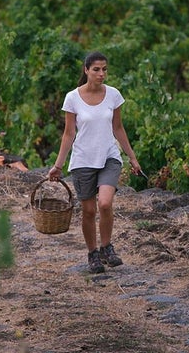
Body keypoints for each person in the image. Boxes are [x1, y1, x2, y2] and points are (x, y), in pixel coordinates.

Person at [48, 51, 142, 273]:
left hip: (109, 156)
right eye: (97, 69)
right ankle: (93, 254)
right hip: (83, 160)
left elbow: (118, 128)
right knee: (89, 211)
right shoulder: (72, 98)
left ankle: (107, 247)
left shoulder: (113, 95)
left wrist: (132, 157)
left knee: (105, 204)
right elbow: (68, 134)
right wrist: (58, 165)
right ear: (86, 70)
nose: (102, 74)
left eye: (105, 69)